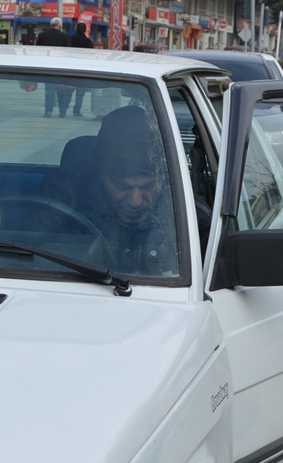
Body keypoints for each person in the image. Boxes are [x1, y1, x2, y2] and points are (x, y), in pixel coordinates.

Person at [66, 105, 177, 276]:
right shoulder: (66, 195)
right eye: (121, 187)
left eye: (148, 187)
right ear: (99, 175)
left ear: (164, 177)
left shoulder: (185, 213)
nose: (135, 201)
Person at [35, 17, 73, 117]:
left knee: (49, 90)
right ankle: (62, 112)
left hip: (47, 67)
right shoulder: (65, 37)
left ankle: (48, 111)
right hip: (61, 68)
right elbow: (68, 53)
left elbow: (37, 51)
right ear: (60, 26)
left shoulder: (42, 36)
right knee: (62, 91)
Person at [71, 23, 95, 117]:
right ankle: (76, 109)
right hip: (82, 69)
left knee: (67, 90)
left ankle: (63, 108)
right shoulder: (88, 42)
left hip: (70, 68)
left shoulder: (71, 39)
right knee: (80, 93)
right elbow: (91, 55)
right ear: (85, 30)